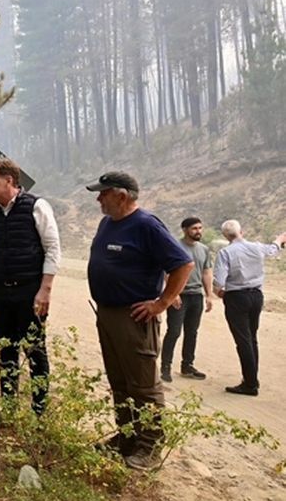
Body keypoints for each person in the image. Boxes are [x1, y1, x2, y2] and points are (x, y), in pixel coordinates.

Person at [85, 172, 193, 471]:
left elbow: (183, 264)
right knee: (119, 382)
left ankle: (150, 447)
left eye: (103, 193)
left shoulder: (146, 225)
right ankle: (127, 438)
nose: (98, 198)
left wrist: (162, 302)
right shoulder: (108, 223)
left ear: (122, 196)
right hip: (107, 313)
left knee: (143, 385)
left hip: (134, 317)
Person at [0, 158, 60, 416]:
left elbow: (53, 248)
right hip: (0, 292)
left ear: (9, 180)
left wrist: (45, 290)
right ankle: (9, 407)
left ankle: (39, 413)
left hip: (29, 291)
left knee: (35, 350)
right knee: (7, 349)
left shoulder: (36, 206)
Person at [213, 220, 286, 396]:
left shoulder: (225, 253)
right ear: (242, 232)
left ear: (225, 236)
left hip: (237, 297)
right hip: (256, 296)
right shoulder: (257, 247)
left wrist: (219, 292)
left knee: (243, 340)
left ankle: (250, 383)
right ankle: (252, 378)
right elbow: (273, 249)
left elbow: (219, 281)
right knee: (251, 338)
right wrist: (279, 239)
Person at [160, 217, 214, 382]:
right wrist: (173, 293)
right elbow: (166, 271)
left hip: (196, 296)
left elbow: (206, 272)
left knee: (192, 332)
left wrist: (209, 295)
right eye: (194, 228)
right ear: (184, 230)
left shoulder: (204, 249)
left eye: (200, 228)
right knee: (174, 331)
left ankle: (187, 366)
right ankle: (165, 367)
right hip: (179, 296)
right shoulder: (175, 246)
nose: (198, 231)